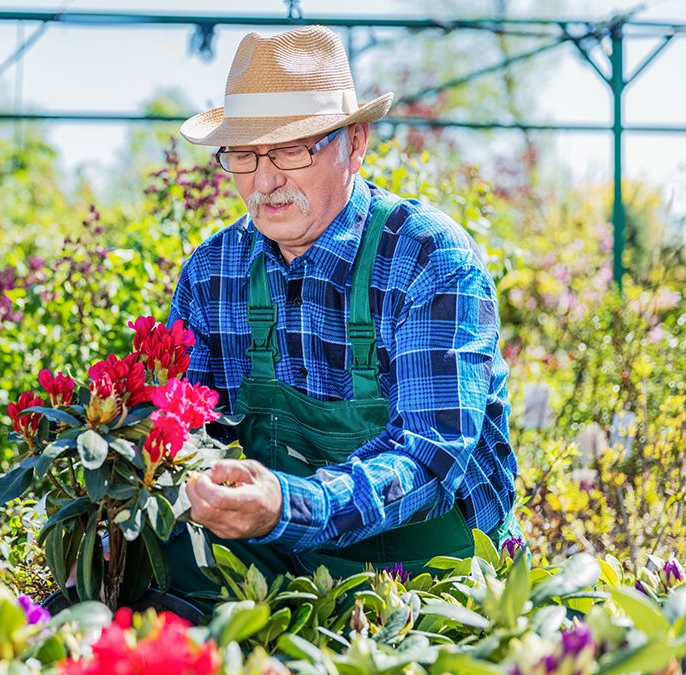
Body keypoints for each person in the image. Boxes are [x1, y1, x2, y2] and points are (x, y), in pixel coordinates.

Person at [162, 26, 520, 595]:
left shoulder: (426, 258)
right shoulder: (213, 272)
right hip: (276, 569)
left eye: (291, 149)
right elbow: (184, 431)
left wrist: (289, 506)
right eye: (245, 155)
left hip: (434, 581)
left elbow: (430, 456)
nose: (265, 180)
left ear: (354, 144)